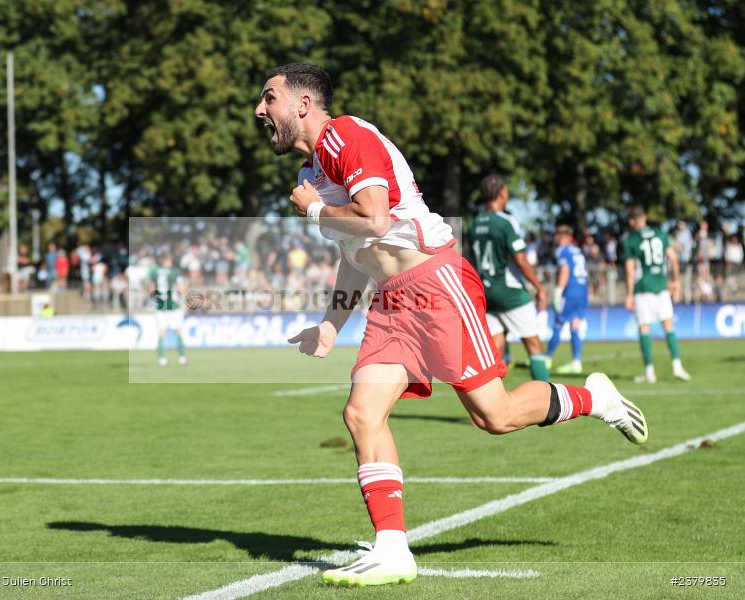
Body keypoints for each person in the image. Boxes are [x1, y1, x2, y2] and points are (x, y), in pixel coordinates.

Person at [255, 62, 648, 588]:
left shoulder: (345, 135)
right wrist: (331, 325)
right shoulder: (312, 176)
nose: (260, 109)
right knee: (361, 412)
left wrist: (314, 215)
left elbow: (374, 218)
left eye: (269, 97)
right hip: (392, 303)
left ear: (303, 104)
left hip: (437, 284)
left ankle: (595, 399)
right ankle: (392, 549)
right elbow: (359, 253)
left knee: (496, 415)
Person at [467, 176, 550, 382]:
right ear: (503, 192)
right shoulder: (506, 221)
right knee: (534, 346)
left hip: (486, 293)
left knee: (495, 350)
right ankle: (549, 406)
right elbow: (521, 259)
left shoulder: (474, 224)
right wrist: (539, 287)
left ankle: (489, 408)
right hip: (510, 292)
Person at [623, 206, 689, 383]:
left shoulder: (631, 240)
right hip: (661, 286)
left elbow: (630, 271)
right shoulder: (660, 232)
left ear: (631, 222)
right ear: (644, 217)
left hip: (643, 288)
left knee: (644, 328)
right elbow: (673, 258)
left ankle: (649, 372)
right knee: (668, 325)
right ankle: (677, 366)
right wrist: (675, 281)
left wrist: (629, 294)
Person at [545, 225, 588, 373]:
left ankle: (547, 359)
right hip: (582, 292)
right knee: (575, 325)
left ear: (561, 236)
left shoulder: (562, 251)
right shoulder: (578, 251)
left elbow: (565, 270)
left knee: (558, 324)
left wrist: (558, 291)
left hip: (569, 292)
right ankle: (576, 362)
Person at [149, 253, 187, 366]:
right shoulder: (175, 271)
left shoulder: (155, 271)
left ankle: (162, 359)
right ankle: (182, 358)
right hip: (173, 305)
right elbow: (181, 287)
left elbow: (151, 287)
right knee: (178, 331)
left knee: (161, 332)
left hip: (160, 305)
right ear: (170, 259)